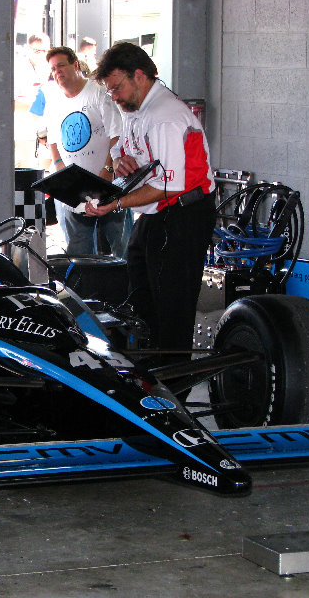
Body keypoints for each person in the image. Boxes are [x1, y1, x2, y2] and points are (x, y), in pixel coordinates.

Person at [86, 42, 216, 372]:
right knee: (141, 291)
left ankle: (174, 385)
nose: (113, 97)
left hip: (183, 213)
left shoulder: (166, 118)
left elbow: (166, 186)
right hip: (155, 213)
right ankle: (147, 368)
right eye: (110, 90)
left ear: (140, 76)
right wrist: (120, 159)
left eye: (117, 87)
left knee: (173, 306)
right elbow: (120, 143)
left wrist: (115, 202)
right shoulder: (135, 107)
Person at [44, 46, 125, 257]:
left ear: (76, 65)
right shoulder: (53, 101)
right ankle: (87, 288)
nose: (58, 72)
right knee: (78, 251)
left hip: (107, 185)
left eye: (61, 65)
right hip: (73, 190)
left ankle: (127, 288)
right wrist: (60, 167)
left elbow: (117, 134)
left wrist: (108, 168)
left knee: (120, 246)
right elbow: (52, 140)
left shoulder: (98, 92)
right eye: (53, 69)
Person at [14, 33, 51, 168]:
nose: (40, 54)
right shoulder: (18, 69)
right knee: (20, 169)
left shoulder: (46, 68)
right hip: (19, 130)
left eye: (44, 51)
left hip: (34, 130)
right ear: (28, 49)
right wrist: (32, 106)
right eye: (36, 51)